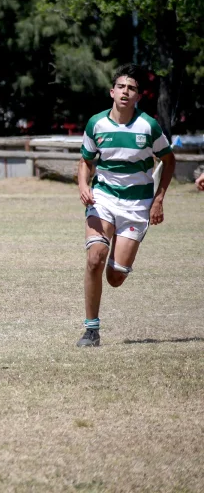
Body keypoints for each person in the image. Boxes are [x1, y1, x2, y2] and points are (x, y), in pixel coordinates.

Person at [77, 64, 175, 347]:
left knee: (116, 277)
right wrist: (84, 185)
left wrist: (159, 199)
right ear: (112, 92)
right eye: (121, 87)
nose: (125, 92)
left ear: (137, 97)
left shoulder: (148, 126)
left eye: (131, 89)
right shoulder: (96, 123)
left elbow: (168, 161)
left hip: (136, 204)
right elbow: (86, 160)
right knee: (94, 258)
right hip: (103, 198)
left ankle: (116, 254)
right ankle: (91, 329)